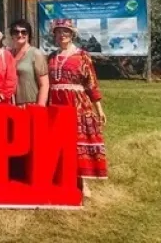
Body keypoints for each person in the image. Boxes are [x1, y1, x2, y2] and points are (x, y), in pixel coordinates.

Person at [47, 18, 107, 197]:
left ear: (72, 34)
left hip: (77, 103)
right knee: (59, 141)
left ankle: (83, 181)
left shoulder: (82, 56)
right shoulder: (51, 57)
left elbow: (91, 83)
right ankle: (61, 177)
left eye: (66, 31)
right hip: (56, 103)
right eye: (58, 32)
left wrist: (99, 109)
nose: (62, 35)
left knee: (78, 142)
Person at [9, 19, 49, 107]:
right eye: (16, 32)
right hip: (12, 105)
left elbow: (44, 84)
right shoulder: (8, 55)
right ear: (12, 35)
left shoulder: (36, 54)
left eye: (24, 32)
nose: (20, 35)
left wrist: (40, 107)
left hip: (31, 104)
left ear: (29, 35)